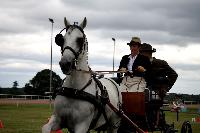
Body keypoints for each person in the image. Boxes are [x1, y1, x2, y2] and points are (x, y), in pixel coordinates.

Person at [140, 43, 178, 128]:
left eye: (141, 53)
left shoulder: (161, 63)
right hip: (141, 90)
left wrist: (166, 88)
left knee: (149, 98)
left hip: (156, 91)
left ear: (148, 53)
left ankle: (153, 122)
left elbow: (174, 75)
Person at [117, 37, 151, 133]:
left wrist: (144, 70)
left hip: (139, 80)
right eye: (132, 46)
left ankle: (139, 122)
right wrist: (121, 70)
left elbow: (150, 73)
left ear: (138, 47)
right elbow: (119, 73)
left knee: (135, 96)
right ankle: (121, 119)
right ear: (130, 47)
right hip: (126, 80)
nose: (133, 48)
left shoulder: (144, 59)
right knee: (119, 94)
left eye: (135, 46)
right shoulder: (124, 58)